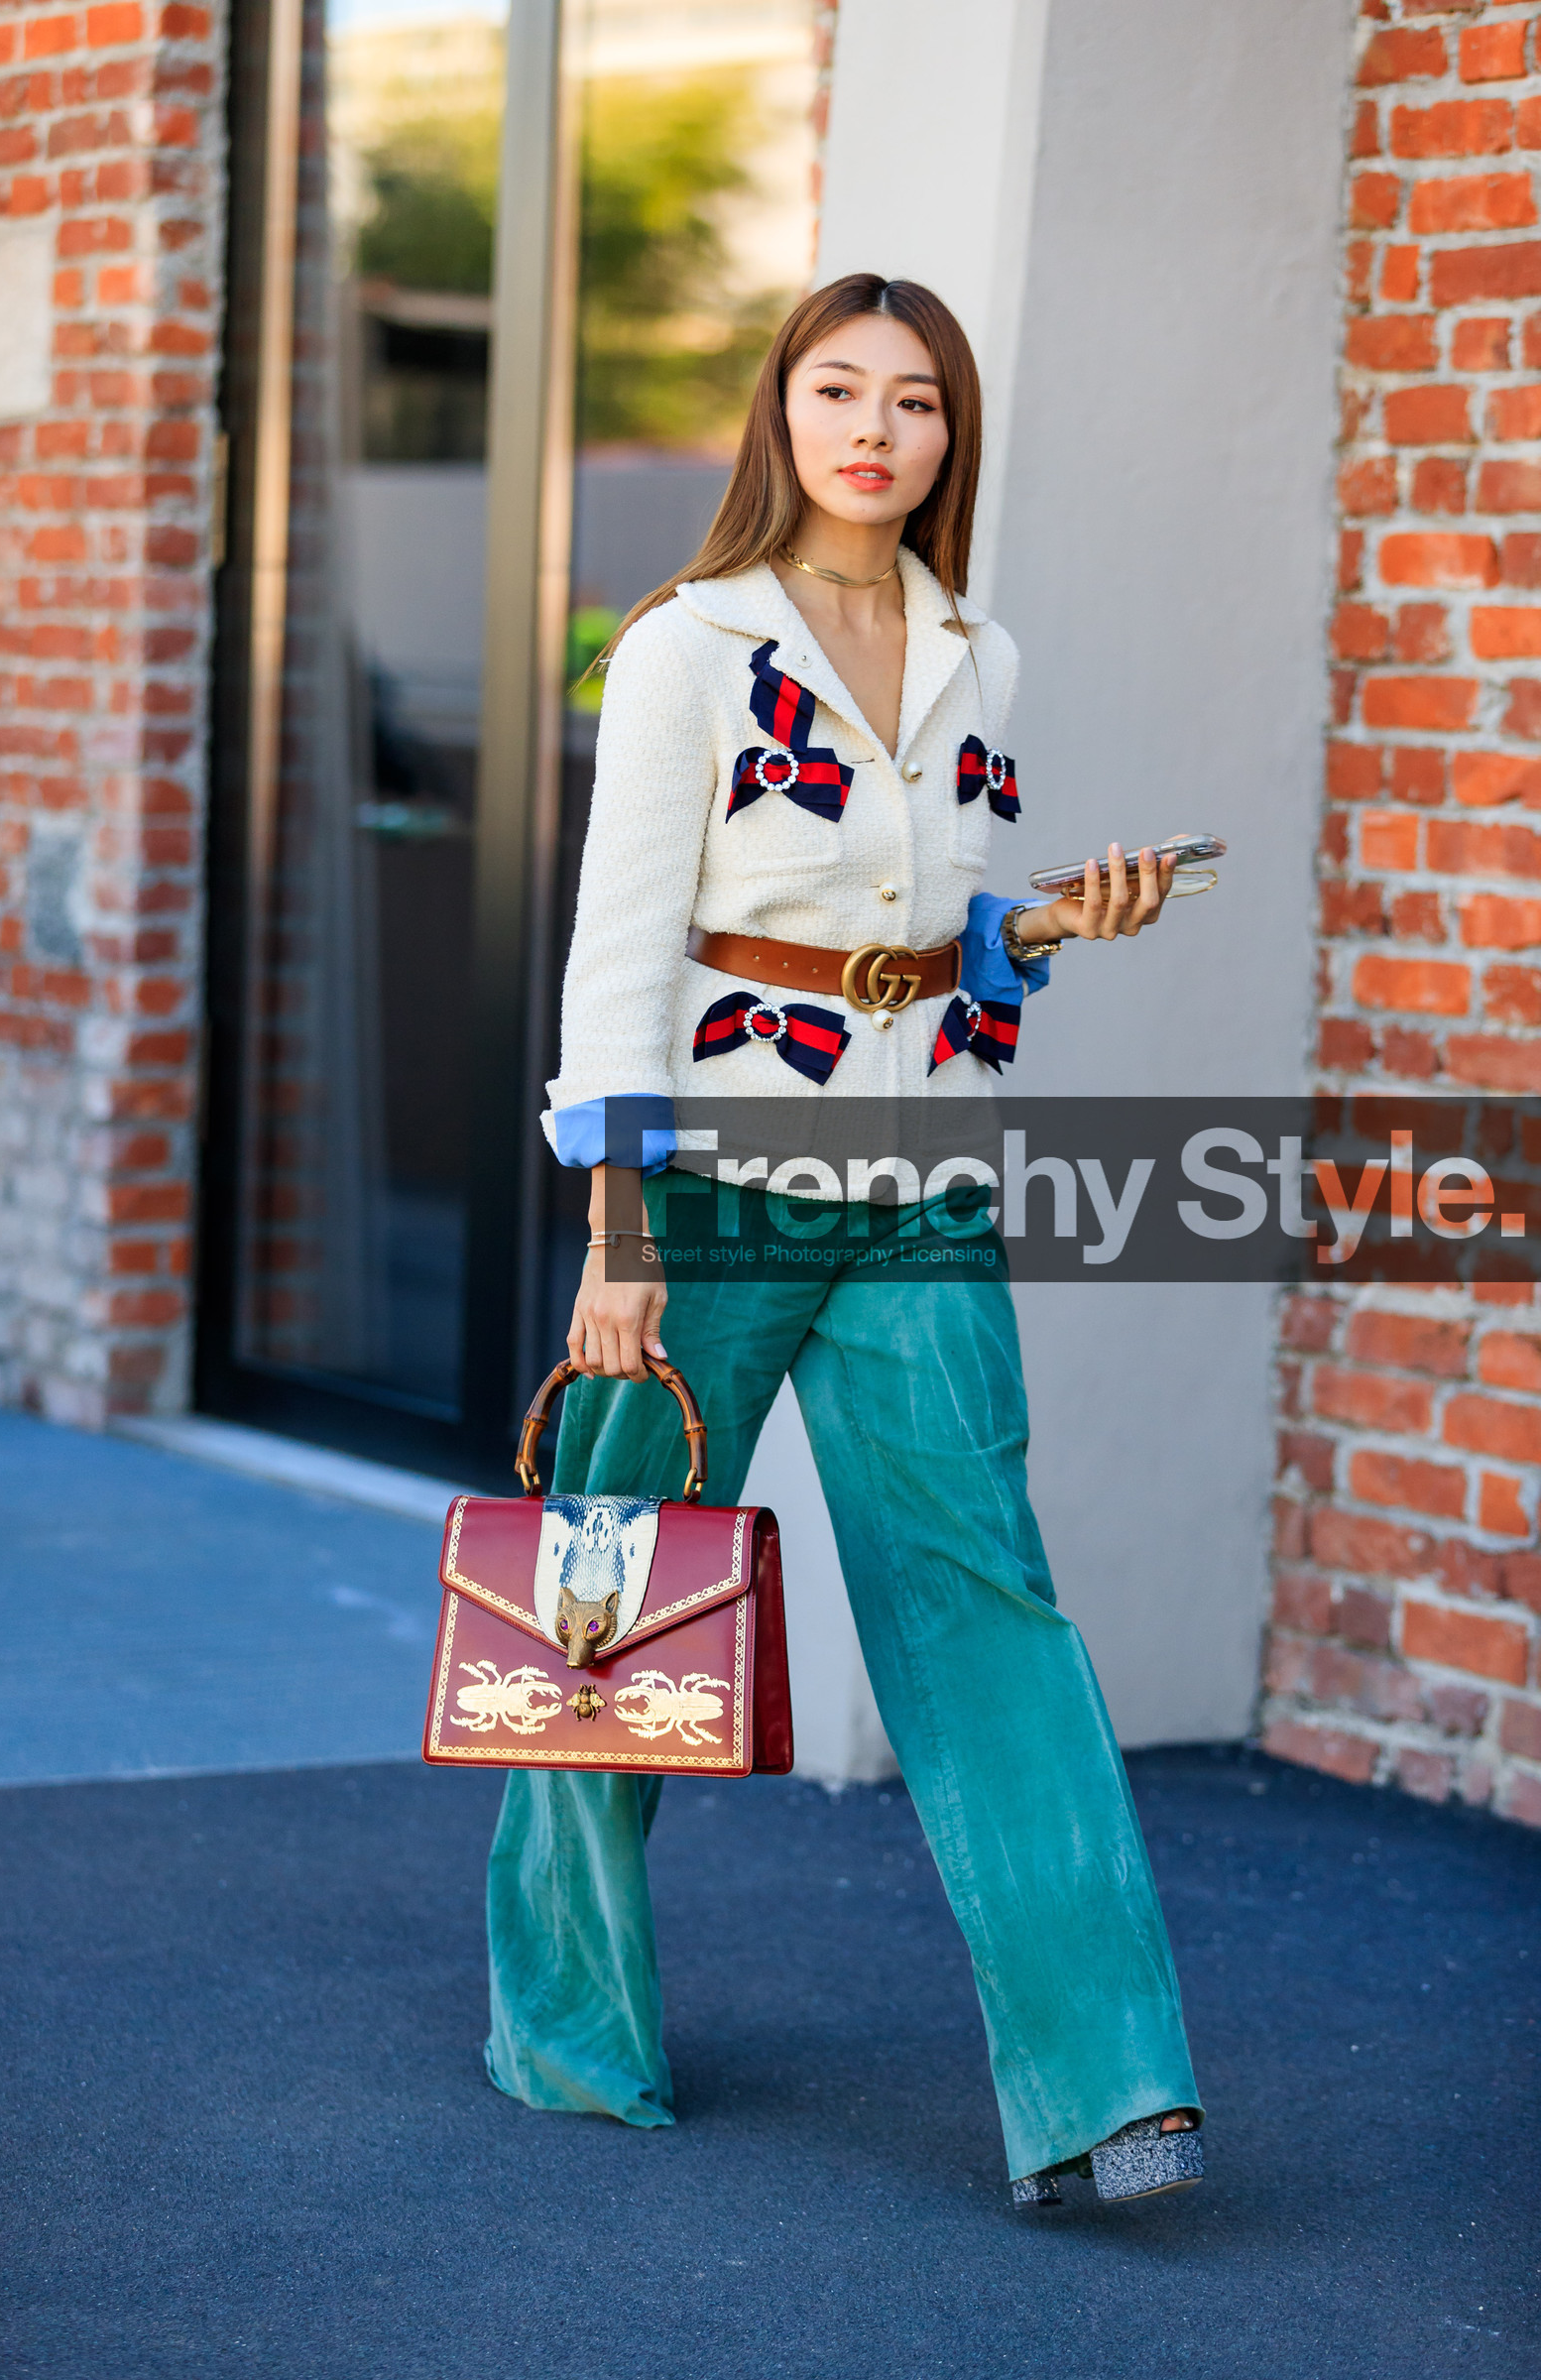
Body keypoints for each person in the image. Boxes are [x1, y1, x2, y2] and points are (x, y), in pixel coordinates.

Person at [485, 272, 1204, 2208]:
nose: (874, 428)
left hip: (919, 1190)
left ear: (951, 434)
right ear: (780, 414)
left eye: (914, 400)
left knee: (990, 1614)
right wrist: (616, 1236)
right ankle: (565, 2024)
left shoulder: (979, 651)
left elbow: (928, 944)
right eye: (836, 389)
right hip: (703, 1197)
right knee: (608, 1614)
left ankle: (1106, 2089)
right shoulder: (687, 646)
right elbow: (619, 958)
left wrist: (1043, 928)